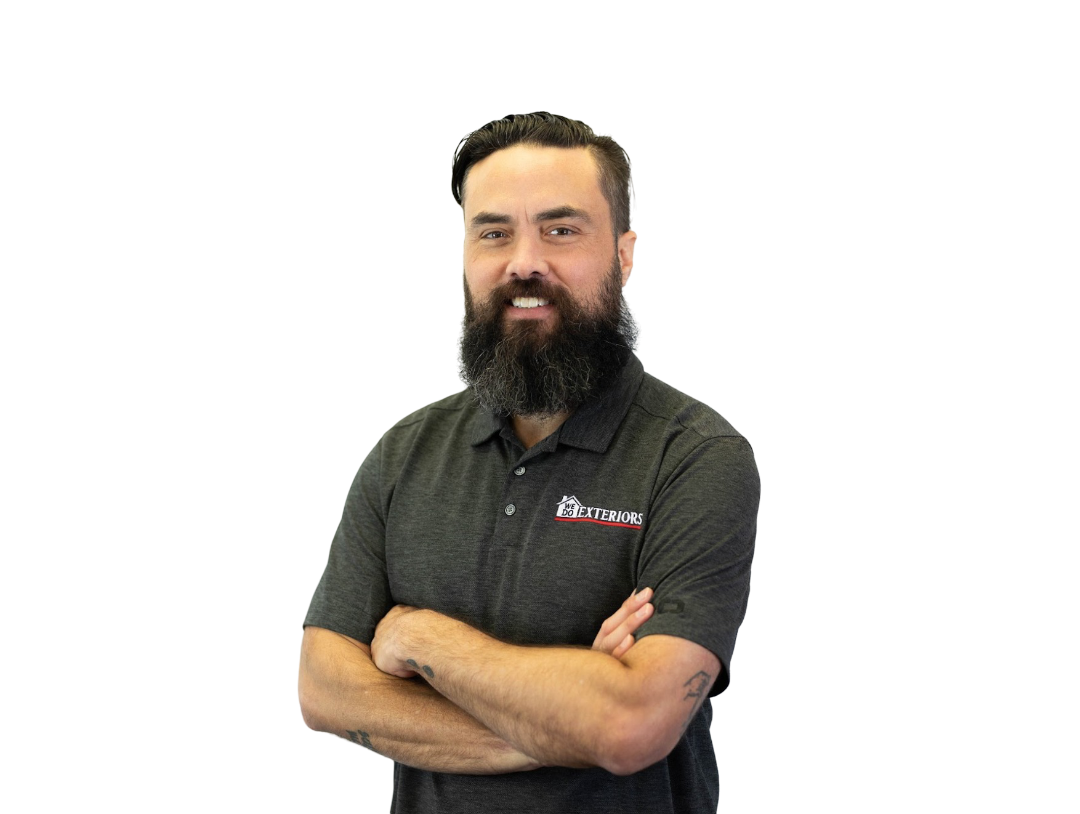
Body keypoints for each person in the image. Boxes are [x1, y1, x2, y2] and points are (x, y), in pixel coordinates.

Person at [297, 112, 758, 812]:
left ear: (626, 254)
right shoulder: (402, 454)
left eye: (561, 229)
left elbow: (634, 724)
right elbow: (323, 688)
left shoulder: (694, 457)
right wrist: (563, 720)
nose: (523, 263)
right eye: (493, 233)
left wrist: (420, 638)